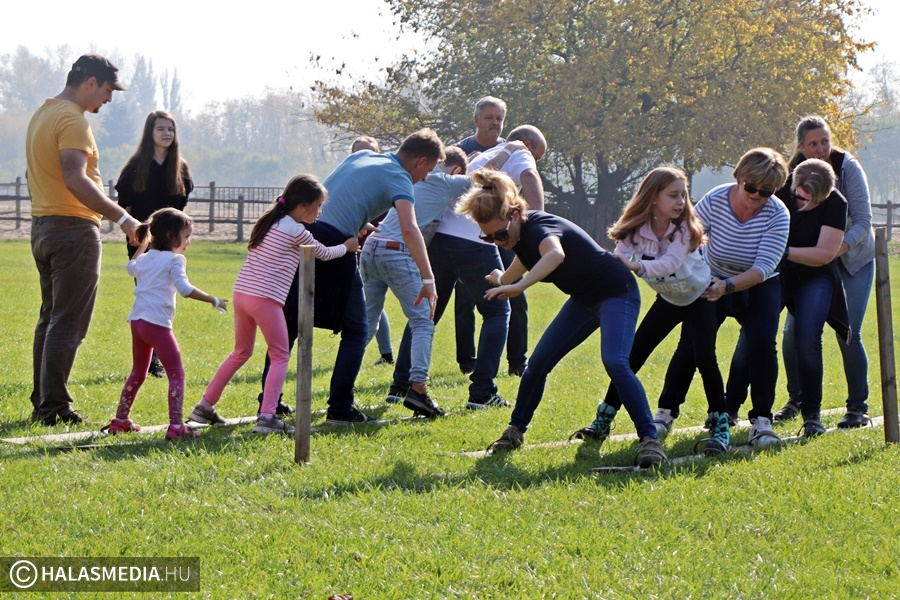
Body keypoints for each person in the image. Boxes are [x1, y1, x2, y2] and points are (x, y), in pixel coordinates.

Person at [457, 169, 667, 468]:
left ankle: (650, 439)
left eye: (501, 235)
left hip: (616, 292)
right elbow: (525, 255)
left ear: (516, 214)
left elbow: (554, 255)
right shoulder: (518, 235)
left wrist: (519, 286)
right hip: (584, 300)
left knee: (615, 362)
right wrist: (503, 277)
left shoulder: (539, 225)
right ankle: (515, 431)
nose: (498, 242)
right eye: (489, 238)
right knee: (537, 366)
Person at [277, 129, 443, 425]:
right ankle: (340, 409)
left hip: (305, 232)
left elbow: (326, 196)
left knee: (291, 320)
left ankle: (270, 403)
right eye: (428, 170)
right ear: (419, 161)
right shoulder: (400, 177)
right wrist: (428, 279)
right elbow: (409, 229)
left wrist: (358, 216)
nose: (426, 178)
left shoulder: (363, 155)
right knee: (357, 329)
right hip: (336, 243)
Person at [571, 167, 730, 455]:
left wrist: (637, 266)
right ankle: (603, 420)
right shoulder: (636, 228)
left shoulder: (683, 229)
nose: (681, 201)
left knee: (705, 357)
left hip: (701, 297)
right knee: (630, 358)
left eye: (683, 195)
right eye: (673, 195)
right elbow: (618, 254)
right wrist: (614, 265)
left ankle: (720, 425)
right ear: (653, 197)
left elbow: (669, 263)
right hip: (669, 300)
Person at [188, 175, 358, 435]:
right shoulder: (296, 230)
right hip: (265, 299)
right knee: (280, 355)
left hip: (242, 294)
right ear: (303, 206)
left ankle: (204, 406)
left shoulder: (272, 222)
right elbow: (321, 253)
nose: (320, 211)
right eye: (319, 206)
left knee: (240, 353)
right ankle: (267, 417)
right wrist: (346, 248)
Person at [25, 53, 140, 426]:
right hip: (72, 229)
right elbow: (76, 178)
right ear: (90, 82)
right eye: (107, 90)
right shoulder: (72, 119)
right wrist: (122, 217)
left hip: (44, 226)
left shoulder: (43, 113)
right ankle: (54, 408)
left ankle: (43, 401)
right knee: (69, 322)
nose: (108, 99)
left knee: (51, 318)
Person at [656, 148, 790, 448]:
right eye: (751, 187)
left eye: (765, 192)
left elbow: (764, 267)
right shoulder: (716, 199)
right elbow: (688, 238)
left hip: (758, 284)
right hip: (710, 276)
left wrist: (727, 286)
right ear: (739, 177)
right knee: (691, 343)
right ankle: (665, 412)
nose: (756, 196)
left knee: (762, 343)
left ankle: (762, 421)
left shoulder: (779, 214)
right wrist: (675, 274)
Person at [379, 144, 522, 415]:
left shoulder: (458, 165)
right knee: (497, 312)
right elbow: (514, 176)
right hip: (475, 243)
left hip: (440, 241)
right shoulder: (515, 152)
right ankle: (482, 392)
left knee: (425, 313)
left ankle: (400, 386)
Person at [768, 116, 874, 429]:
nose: (821, 148)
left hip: (851, 261)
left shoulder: (847, 168)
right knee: (792, 336)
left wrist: (832, 252)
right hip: (806, 266)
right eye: (813, 143)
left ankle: (858, 406)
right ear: (801, 147)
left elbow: (863, 222)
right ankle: (797, 398)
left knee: (848, 332)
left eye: (825, 141)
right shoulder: (793, 175)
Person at [103, 208, 227, 440]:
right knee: (177, 374)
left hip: (137, 322)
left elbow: (132, 267)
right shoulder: (175, 259)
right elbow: (185, 290)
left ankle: (120, 421)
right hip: (157, 325)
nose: (188, 242)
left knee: (138, 373)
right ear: (172, 237)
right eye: (186, 236)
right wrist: (213, 299)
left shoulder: (146, 257)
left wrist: (143, 245)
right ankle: (176, 427)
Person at [454, 124, 548, 378]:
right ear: (528, 145)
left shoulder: (489, 154)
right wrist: (538, 221)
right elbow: (530, 177)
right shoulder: (520, 151)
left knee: (464, 298)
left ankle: (466, 361)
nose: (535, 161)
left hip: (458, 234)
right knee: (511, 297)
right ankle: (516, 363)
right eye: (537, 156)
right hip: (496, 233)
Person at [116, 110, 194, 378]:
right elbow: (122, 204)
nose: (167, 133)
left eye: (171, 129)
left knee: (166, 296)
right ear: (150, 132)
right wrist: (132, 232)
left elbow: (182, 205)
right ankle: (150, 359)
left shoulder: (179, 167)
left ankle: (157, 355)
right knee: (148, 297)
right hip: (141, 241)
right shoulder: (135, 165)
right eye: (161, 129)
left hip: (169, 243)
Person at [776, 159, 848, 436]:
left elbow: (824, 255)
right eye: (802, 198)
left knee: (807, 337)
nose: (805, 205)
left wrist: (784, 252)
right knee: (754, 336)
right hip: (777, 271)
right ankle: (731, 410)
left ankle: (811, 415)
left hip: (816, 274)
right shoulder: (782, 191)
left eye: (814, 200)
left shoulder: (836, 203)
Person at [351, 136, 395, 367]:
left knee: (369, 304)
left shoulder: (385, 181)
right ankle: (387, 355)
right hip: (352, 250)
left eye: (370, 152)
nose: (364, 158)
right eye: (358, 153)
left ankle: (356, 354)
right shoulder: (348, 181)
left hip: (378, 250)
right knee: (373, 303)